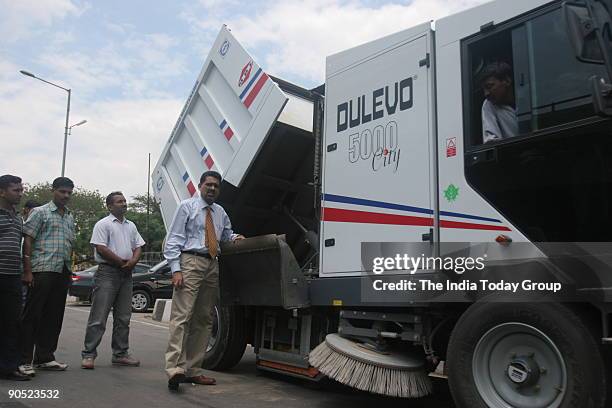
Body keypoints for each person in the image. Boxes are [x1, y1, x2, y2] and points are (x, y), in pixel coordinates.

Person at [164, 170, 244, 391]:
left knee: (204, 319)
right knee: (182, 317)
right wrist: (176, 270)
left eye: (216, 186)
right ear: (200, 186)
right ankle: (175, 369)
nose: (212, 189)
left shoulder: (220, 212)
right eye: (208, 185)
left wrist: (235, 238)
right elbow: (173, 240)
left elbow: (226, 234)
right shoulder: (186, 207)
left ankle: (193, 371)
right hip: (190, 261)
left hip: (211, 264)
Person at [81, 192, 145, 369]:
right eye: (119, 202)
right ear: (109, 206)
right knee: (99, 317)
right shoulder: (103, 224)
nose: (124, 204)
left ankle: (120, 353)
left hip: (126, 274)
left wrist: (132, 262)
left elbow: (139, 246)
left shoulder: (131, 225)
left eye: (125, 200)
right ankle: (88, 354)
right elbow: (100, 248)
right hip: (108, 273)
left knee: (124, 317)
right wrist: (121, 262)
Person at [20, 177, 75, 376]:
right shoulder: (40, 212)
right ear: (53, 191)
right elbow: (28, 241)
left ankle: (45, 357)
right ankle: (24, 360)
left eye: (69, 192)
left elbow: (69, 245)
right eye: (62, 191)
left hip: (62, 271)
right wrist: (27, 271)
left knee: (54, 317)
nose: (66, 196)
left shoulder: (69, 216)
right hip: (42, 269)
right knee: (32, 316)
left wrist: (69, 272)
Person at [0, 175, 29, 381]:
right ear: (2, 192)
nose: (20, 193)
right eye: (16, 190)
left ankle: (9, 367)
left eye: (21, 190)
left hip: (12, 277)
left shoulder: (18, 217)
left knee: (12, 323)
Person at [480, 61, 519, 144]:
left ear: (507, 81)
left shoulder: (529, 98)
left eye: (489, 86)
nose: (486, 93)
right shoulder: (489, 105)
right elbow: (491, 142)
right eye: (484, 89)